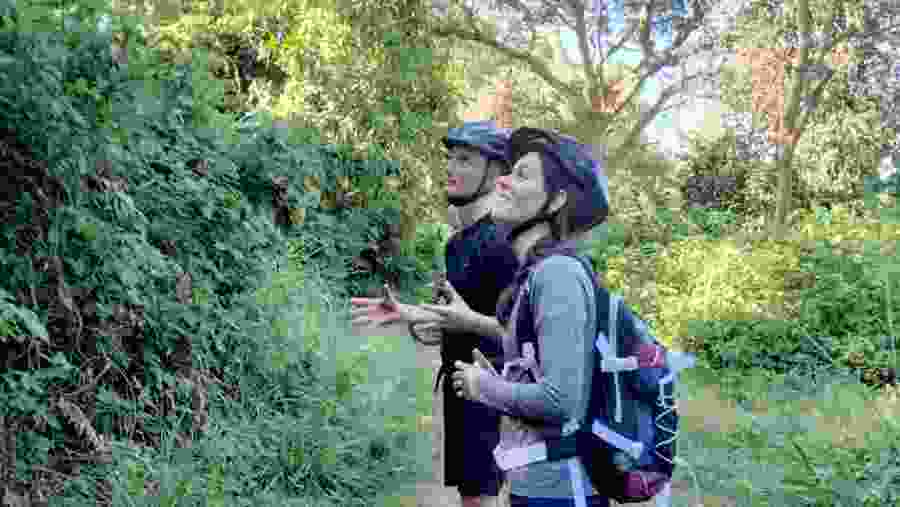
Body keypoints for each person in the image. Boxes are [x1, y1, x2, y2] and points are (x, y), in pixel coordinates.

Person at [350, 120, 520, 507]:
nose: (451, 168)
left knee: (482, 499)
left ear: (496, 172)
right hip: (460, 384)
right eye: (450, 159)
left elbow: (521, 331)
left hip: (490, 385)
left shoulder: (502, 243)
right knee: (472, 497)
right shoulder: (459, 243)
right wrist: (407, 314)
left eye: (465, 160)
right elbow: (459, 316)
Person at [439, 127, 611, 507]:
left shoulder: (557, 274)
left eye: (521, 175)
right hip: (536, 484)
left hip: (563, 494)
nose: (503, 180)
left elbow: (559, 400)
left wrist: (482, 386)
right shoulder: (534, 271)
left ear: (556, 201)